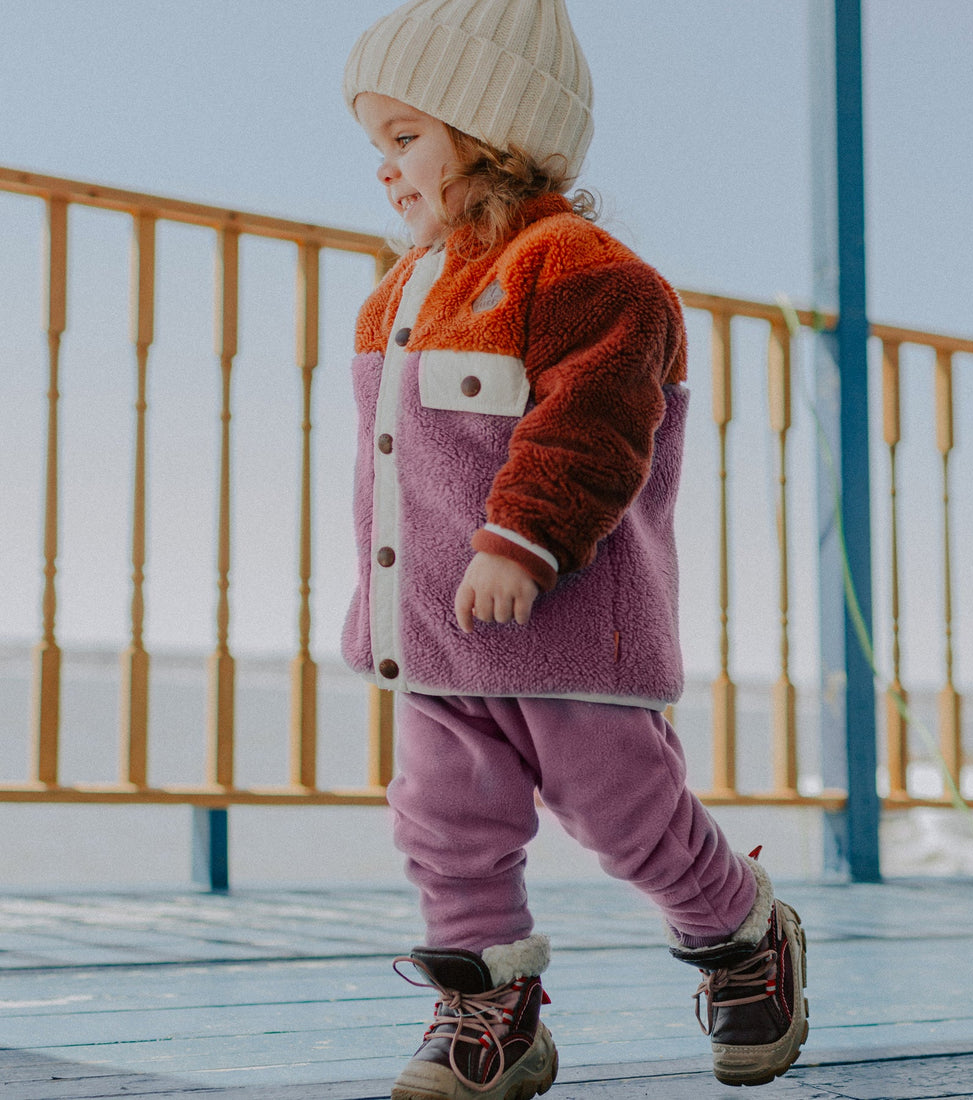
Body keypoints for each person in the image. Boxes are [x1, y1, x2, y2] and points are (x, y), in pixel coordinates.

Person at [340, 1, 808, 1096]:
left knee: (627, 816)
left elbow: (593, 425)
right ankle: (485, 1006)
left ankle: (740, 932)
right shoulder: (398, 294)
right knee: (443, 825)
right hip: (438, 638)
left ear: (492, 132)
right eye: (375, 146)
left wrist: (522, 538)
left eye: (405, 138)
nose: (384, 170)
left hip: (563, 632)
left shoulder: (586, 271)